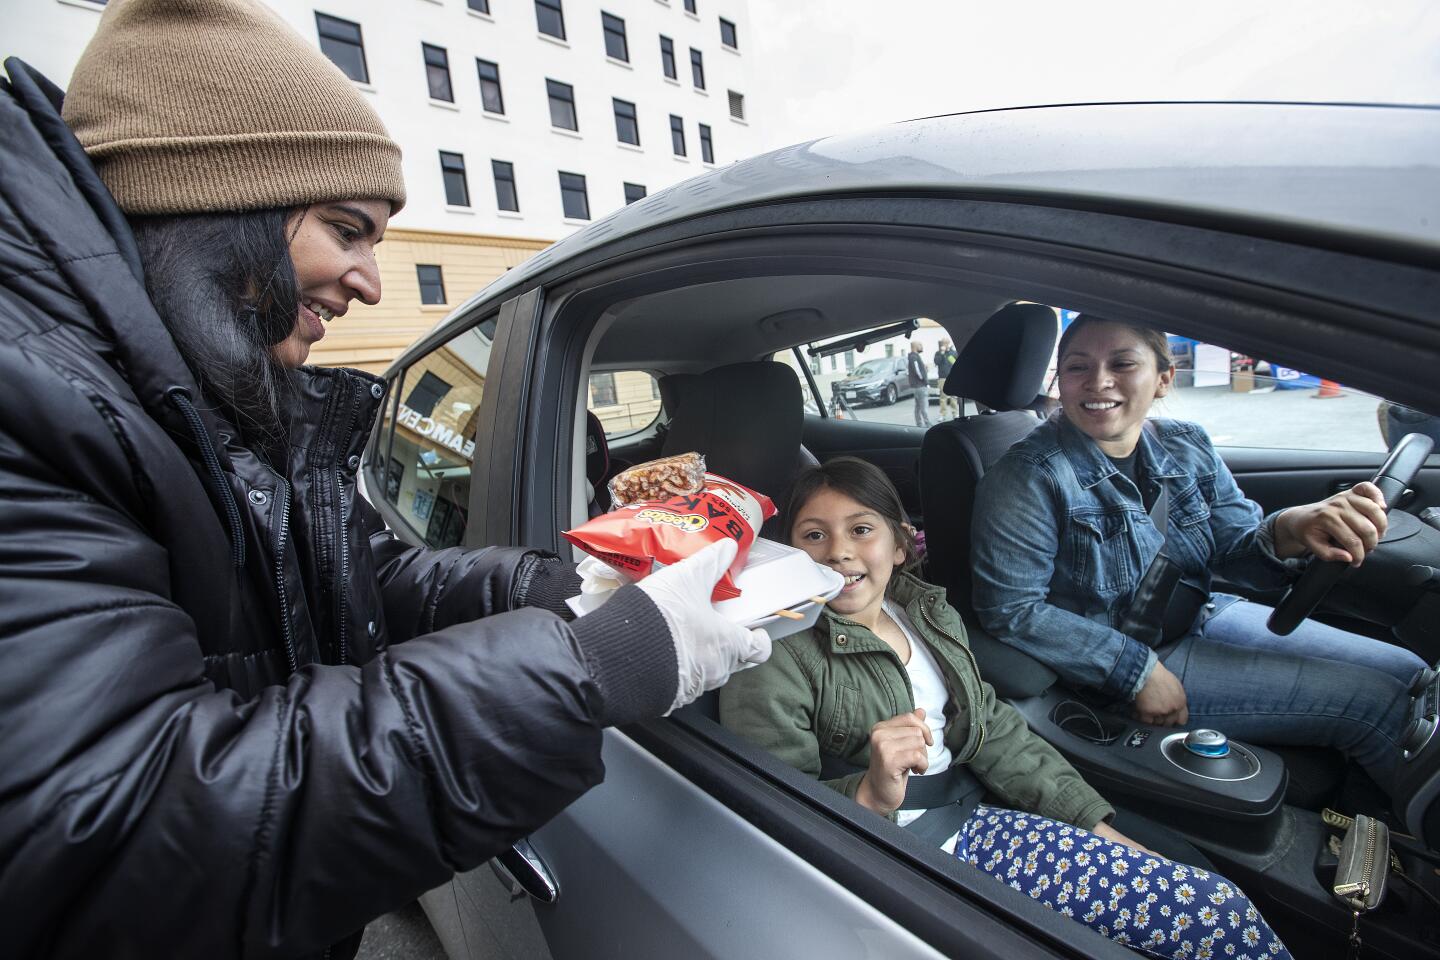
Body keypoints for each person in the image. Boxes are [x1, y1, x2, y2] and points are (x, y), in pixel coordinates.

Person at [0, 3, 767, 957]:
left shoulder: (191, 397)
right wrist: (586, 670)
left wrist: (558, 588)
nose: (368, 280)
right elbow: (115, 834)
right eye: (346, 228)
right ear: (218, 202)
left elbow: (362, 576)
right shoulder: (31, 406)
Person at [720, 458, 1290, 959]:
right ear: (790, 555)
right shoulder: (775, 653)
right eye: (813, 536)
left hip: (975, 802)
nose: (838, 550)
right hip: (909, 846)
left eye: (860, 529)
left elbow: (991, 727)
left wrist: (1091, 821)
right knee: (1217, 914)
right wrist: (869, 792)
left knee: (1207, 899)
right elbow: (769, 801)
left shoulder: (923, 615)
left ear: (899, 544)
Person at [972, 315, 1425, 796]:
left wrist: (1291, 528)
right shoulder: (1028, 476)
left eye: (1122, 363)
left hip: (1203, 612)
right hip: (1122, 653)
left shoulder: (1185, 443)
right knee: (1379, 706)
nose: (1098, 381)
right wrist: (1137, 671)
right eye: (1077, 367)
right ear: (1059, 381)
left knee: (1410, 671)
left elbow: (1233, 554)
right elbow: (1012, 611)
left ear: (1164, 378)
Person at [907, 340, 932, 427]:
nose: (921, 346)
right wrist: (924, 380)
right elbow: (917, 370)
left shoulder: (913, 357)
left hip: (916, 386)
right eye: (920, 345)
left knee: (918, 407)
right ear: (915, 346)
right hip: (920, 385)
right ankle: (927, 424)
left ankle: (919, 424)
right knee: (924, 406)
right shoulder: (914, 357)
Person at [934, 337, 959, 420]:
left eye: (945, 343)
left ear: (948, 343)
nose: (944, 344)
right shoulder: (938, 353)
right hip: (942, 378)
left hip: (952, 378)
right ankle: (942, 415)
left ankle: (955, 414)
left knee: (954, 397)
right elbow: (936, 362)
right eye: (943, 343)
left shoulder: (953, 353)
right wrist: (942, 352)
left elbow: (957, 364)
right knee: (943, 398)